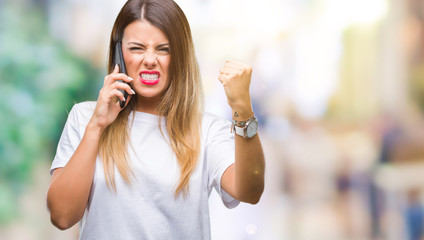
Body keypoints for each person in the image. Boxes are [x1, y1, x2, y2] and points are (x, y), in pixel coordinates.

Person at [46, 0, 265, 239]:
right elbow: (62, 216)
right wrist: (96, 126)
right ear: (120, 52)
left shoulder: (208, 130)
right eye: (137, 48)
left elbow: (250, 191)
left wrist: (243, 110)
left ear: (180, 56)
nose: (150, 59)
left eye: (164, 49)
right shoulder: (85, 119)